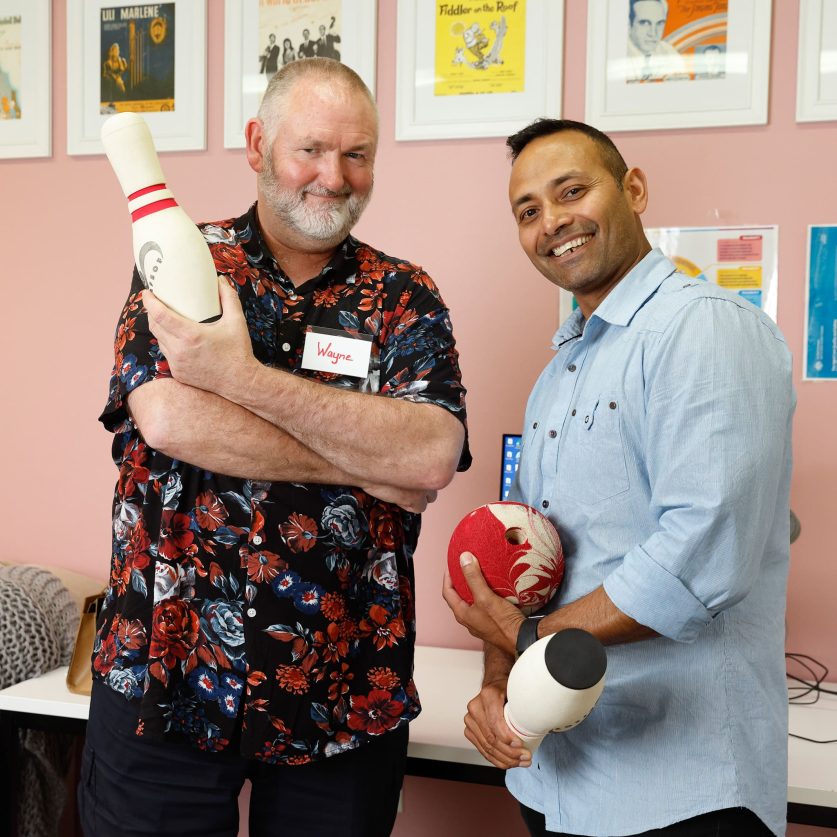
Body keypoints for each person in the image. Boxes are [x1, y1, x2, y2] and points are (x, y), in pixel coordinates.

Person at [82, 57, 469, 837]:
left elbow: (429, 453)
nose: (334, 175)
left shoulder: (405, 295)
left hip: (344, 685)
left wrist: (237, 376)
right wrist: (361, 458)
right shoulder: (181, 259)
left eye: (357, 154)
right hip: (166, 673)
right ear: (257, 143)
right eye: (311, 149)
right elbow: (167, 420)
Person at [443, 119, 793, 837]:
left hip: (683, 791)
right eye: (528, 210)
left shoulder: (704, 330)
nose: (552, 223)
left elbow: (700, 555)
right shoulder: (560, 370)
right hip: (560, 779)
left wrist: (528, 633)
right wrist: (497, 681)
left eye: (571, 191)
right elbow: (524, 564)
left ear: (632, 189)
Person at [626, 0, 688, 83]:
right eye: (644, 23)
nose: (653, 33)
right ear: (629, 25)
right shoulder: (618, 52)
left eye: (659, 23)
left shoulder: (668, 51)